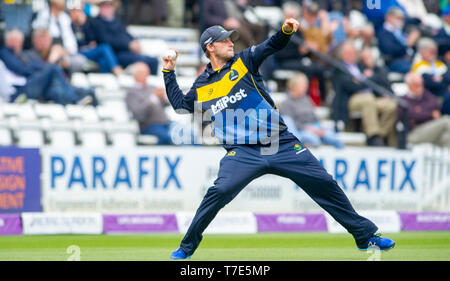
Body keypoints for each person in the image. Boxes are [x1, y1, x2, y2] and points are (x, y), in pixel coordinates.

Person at [162, 19, 395, 260]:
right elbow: (180, 106)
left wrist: (285, 31)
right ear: (210, 47)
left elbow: (271, 45)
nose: (231, 42)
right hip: (243, 152)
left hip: (279, 142)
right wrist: (168, 71)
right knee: (219, 191)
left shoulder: (244, 61)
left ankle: (365, 236)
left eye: (231, 38)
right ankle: (186, 248)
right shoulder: (202, 85)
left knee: (324, 183)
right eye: (225, 40)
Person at [331, 41, 398, 147]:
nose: (352, 55)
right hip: (351, 99)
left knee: (391, 105)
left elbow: (378, 77)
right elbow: (352, 86)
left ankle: (379, 135)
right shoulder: (339, 68)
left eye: (353, 52)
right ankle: (373, 136)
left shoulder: (361, 66)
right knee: (368, 99)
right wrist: (367, 80)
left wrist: (363, 79)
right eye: (348, 53)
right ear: (342, 55)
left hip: (370, 97)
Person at [89, 0, 159, 75]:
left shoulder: (117, 21)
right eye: (104, 6)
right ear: (100, 8)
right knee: (148, 61)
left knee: (154, 60)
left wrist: (134, 43)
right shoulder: (96, 22)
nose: (107, 8)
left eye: (109, 6)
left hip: (127, 52)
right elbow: (106, 41)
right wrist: (128, 45)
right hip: (115, 54)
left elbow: (127, 35)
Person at [279, 72, 344, 149]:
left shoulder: (307, 100)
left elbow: (315, 117)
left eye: (305, 84)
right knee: (313, 139)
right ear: (294, 86)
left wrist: (319, 129)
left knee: (336, 139)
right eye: (302, 85)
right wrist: (309, 128)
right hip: (301, 131)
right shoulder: (286, 103)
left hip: (314, 128)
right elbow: (290, 125)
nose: (305, 87)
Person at [68, 0, 123, 76]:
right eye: (75, 11)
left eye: (79, 11)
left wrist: (84, 24)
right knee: (105, 48)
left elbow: (91, 40)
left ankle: (104, 80)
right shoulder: (68, 24)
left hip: (88, 50)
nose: (77, 13)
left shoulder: (86, 24)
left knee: (103, 60)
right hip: (78, 51)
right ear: (70, 12)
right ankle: (116, 70)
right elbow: (74, 43)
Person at [125, 62, 172, 144]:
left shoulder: (152, 87)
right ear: (135, 75)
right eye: (143, 73)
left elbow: (167, 104)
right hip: (148, 125)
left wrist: (164, 96)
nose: (146, 75)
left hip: (166, 123)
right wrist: (153, 98)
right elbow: (138, 113)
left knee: (186, 134)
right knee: (166, 138)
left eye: (147, 72)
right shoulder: (131, 92)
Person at [400, 72, 450, 147]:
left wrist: (420, 111)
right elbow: (412, 115)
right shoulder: (403, 100)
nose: (420, 87)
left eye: (421, 84)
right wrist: (430, 114)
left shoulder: (426, 95)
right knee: (446, 120)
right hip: (414, 133)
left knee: (446, 137)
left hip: (430, 128)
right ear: (409, 85)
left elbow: (437, 105)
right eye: (417, 85)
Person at [376, 7, 421, 74]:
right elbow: (389, 50)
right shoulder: (383, 32)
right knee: (416, 69)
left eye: (402, 19)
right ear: (389, 17)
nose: (401, 21)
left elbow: (417, 20)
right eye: (398, 18)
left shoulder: (401, 30)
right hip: (394, 61)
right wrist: (407, 44)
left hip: (410, 59)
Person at [412, 37, 450, 115]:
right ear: (422, 52)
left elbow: (448, 76)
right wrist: (444, 80)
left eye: (435, 52)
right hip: (433, 96)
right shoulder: (418, 65)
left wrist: (441, 78)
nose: (434, 54)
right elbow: (431, 83)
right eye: (431, 52)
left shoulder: (437, 63)